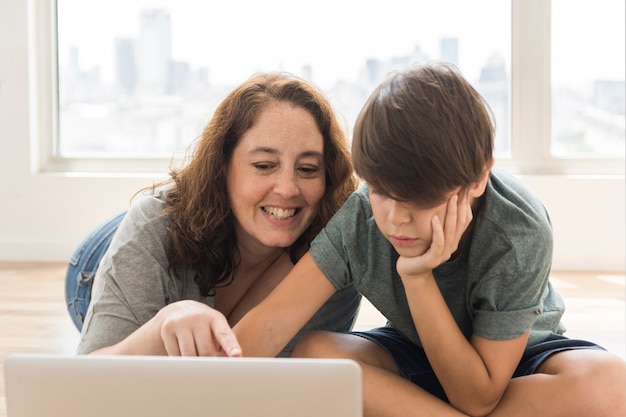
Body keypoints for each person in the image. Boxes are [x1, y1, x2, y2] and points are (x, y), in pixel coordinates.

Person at [230, 63, 626, 416]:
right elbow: (270, 323)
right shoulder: (363, 216)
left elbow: (478, 399)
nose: (395, 219)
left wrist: (417, 277)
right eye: (381, 192)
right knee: (316, 354)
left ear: (478, 178)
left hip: (515, 363)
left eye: (418, 201)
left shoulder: (516, 228)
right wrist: (201, 387)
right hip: (413, 353)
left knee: (611, 384)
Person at [73, 72, 361, 357]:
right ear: (222, 166)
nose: (287, 189)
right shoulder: (154, 223)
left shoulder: (340, 254)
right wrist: (160, 326)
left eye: (308, 169)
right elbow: (91, 376)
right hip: (106, 253)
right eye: (263, 165)